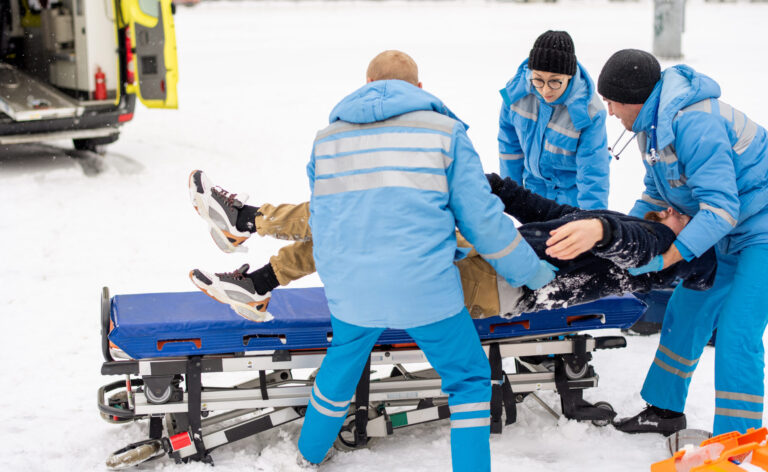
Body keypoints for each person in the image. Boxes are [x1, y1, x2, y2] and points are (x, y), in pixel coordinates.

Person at [194, 50, 556, 470]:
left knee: (341, 367)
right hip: (426, 291)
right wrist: (532, 273)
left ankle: (309, 453)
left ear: (366, 86)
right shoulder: (445, 132)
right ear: (418, 90)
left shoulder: (327, 140)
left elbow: (326, 221)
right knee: (469, 379)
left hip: (352, 291)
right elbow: (483, 221)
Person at [190, 171, 716, 322]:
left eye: (682, 213)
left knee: (372, 217)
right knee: (363, 222)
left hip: (491, 281)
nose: (669, 208)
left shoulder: (657, 257)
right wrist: (488, 184)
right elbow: (549, 214)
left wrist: (605, 230)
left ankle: (249, 226)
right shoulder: (644, 234)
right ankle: (258, 275)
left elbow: (638, 249)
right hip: (490, 258)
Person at [593, 49, 768, 437]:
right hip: (725, 229)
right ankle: (664, 410)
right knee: (685, 312)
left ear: (633, 99)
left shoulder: (696, 125)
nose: (609, 112)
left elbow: (721, 208)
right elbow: (656, 195)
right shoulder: (653, 126)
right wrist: (621, 235)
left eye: (611, 102)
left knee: (738, 332)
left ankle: (736, 441)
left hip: (760, 230)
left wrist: (667, 257)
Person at [498, 30, 610, 209]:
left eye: (555, 81)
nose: (545, 90)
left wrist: (591, 220)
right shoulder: (514, 94)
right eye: (538, 80)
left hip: (570, 201)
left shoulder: (589, 113)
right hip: (533, 194)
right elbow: (509, 148)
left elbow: (593, 174)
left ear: (569, 76)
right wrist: (511, 196)